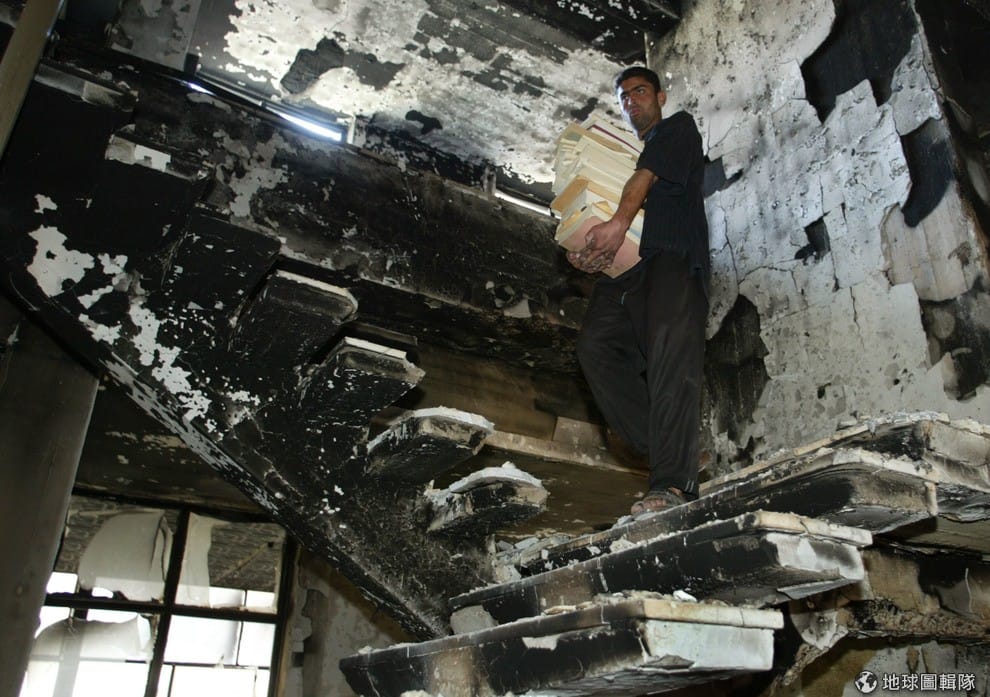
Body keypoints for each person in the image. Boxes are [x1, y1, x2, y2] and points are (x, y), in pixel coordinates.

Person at [568, 66, 709, 516]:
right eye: (624, 96)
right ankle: (670, 447)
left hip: (672, 258)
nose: (632, 101)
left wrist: (617, 224)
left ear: (660, 96)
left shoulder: (677, 129)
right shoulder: (624, 158)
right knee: (594, 347)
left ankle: (673, 484)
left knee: (670, 359)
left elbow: (646, 176)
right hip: (627, 273)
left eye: (640, 91)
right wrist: (586, 250)